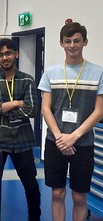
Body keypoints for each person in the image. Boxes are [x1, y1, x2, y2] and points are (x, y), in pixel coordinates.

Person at [38, 21, 103, 221]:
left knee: (79, 196)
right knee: (57, 193)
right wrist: (60, 138)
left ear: (85, 42)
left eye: (77, 41)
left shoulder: (98, 72)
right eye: (68, 41)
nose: (72, 45)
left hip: (83, 143)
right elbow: (45, 108)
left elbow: (99, 111)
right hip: (55, 142)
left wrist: (73, 136)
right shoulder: (51, 72)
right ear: (61, 44)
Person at [0, 38, 41, 221]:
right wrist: (15, 103)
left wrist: (2, 111)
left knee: (31, 185)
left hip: (22, 141)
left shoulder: (27, 80)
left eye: (8, 53)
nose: (5, 57)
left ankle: (34, 217)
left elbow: (31, 109)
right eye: (0, 54)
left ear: (16, 54)